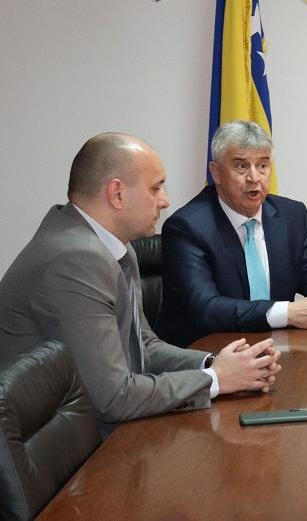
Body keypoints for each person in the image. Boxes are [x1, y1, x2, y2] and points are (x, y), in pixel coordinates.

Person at [0, 133, 281, 436]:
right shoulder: (76, 259)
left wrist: (215, 363)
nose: (165, 200)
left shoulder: (113, 246)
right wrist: (216, 379)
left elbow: (143, 347)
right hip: (75, 453)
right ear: (117, 194)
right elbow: (115, 397)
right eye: (155, 187)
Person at [156, 121, 307, 347]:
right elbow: (206, 309)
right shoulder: (187, 227)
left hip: (275, 351)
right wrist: (288, 312)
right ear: (216, 173)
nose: (254, 177)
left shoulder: (290, 216)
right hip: (206, 355)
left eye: (262, 165)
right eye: (241, 166)